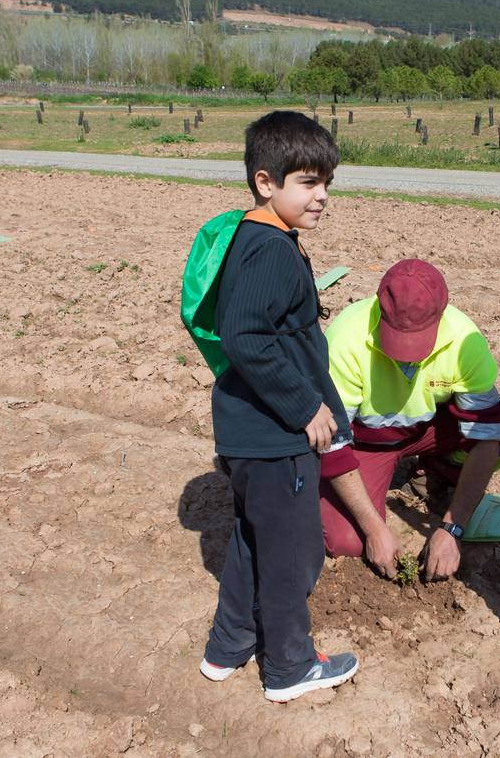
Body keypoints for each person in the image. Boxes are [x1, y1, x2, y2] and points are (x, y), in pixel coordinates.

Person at [199, 111, 360, 703]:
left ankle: (229, 646)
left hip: (246, 432)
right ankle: (291, 665)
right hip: (274, 435)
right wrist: (305, 407)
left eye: (327, 183)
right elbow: (246, 337)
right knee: (292, 552)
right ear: (266, 183)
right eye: (307, 183)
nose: (321, 197)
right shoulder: (270, 249)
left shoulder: (254, 235)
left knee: (250, 537)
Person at [320, 259, 500, 580]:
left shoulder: (465, 341)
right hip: (368, 440)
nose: (405, 355)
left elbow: (487, 435)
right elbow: (332, 446)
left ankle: (432, 475)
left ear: (441, 317)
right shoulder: (345, 338)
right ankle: (387, 477)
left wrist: (451, 529)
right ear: (380, 310)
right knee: (346, 540)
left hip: (427, 429)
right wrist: (375, 528)